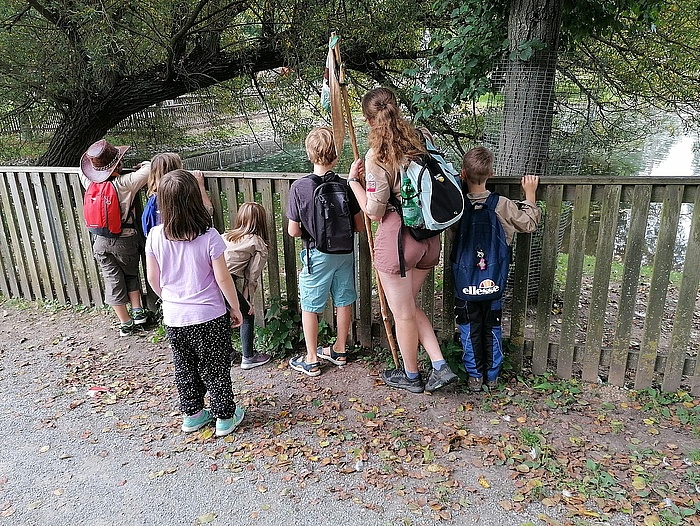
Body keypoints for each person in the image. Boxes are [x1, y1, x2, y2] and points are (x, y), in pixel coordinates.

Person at [347, 87, 458, 394]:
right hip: (430, 238)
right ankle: (440, 365)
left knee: (402, 312)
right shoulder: (421, 137)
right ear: (397, 108)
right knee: (407, 306)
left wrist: (353, 183)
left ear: (369, 121)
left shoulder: (377, 156)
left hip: (398, 240)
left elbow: (374, 211)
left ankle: (410, 376)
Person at [145, 169, 245, 437]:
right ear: (194, 200)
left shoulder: (154, 236)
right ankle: (224, 416)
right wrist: (234, 307)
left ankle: (193, 414)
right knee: (216, 366)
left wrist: (169, 298)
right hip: (209, 315)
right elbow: (223, 279)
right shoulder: (209, 236)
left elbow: (153, 279)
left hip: (175, 317)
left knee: (184, 366)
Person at [456, 146, 540, 391]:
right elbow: (529, 223)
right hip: (494, 279)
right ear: (491, 174)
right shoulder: (501, 204)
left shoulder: (458, 204)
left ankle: (474, 377)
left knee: (468, 325)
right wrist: (530, 194)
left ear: (463, 174)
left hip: (464, 279)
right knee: (492, 324)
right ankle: (492, 377)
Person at [286, 127, 364, 377]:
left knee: (310, 305)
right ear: (335, 155)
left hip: (316, 253)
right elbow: (360, 226)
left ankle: (311, 359)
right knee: (343, 299)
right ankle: (339, 349)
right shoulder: (346, 185)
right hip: (344, 252)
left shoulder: (300, 188)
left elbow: (293, 231)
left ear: (310, 154)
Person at [79, 139, 152, 336]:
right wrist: (143, 165)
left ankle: (125, 323)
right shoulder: (125, 184)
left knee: (112, 279)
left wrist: (93, 163)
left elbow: (82, 169)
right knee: (130, 274)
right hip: (125, 239)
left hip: (100, 242)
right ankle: (138, 313)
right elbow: (151, 168)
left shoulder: (89, 183)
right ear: (117, 164)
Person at [222, 202, 271, 370]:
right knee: (247, 315)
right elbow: (252, 276)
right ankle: (248, 357)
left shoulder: (227, 236)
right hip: (225, 282)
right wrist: (247, 301)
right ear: (262, 221)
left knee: (221, 315)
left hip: (207, 280)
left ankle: (226, 354)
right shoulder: (257, 243)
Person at [142, 152, 214, 237]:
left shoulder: (154, 197)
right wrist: (200, 186)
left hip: (162, 244)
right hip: (185, 241)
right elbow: (208, 211)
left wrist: (145, 164)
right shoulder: (181, 196)